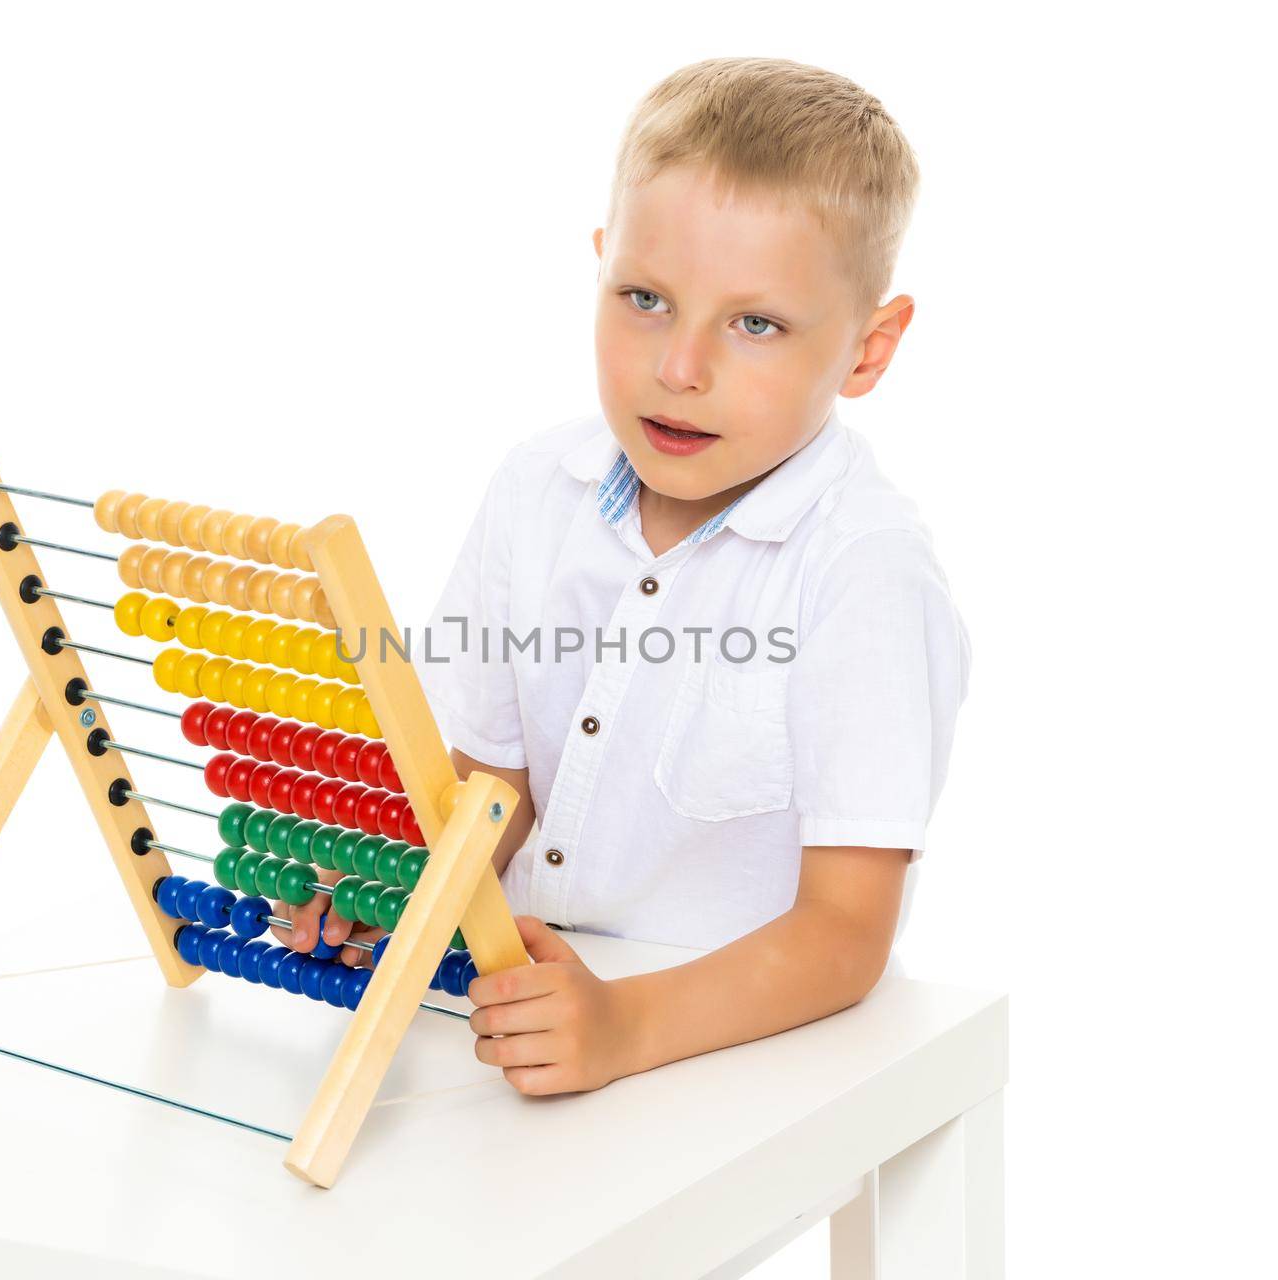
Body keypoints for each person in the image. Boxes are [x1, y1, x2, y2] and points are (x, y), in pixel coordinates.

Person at [278, 56, 969, 1097]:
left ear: (868, 350)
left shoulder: (863, 568)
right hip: (523, 1009)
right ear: (600, 264)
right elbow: (489, 785)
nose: (679, 367)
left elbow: (844, 931)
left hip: (731, 1045)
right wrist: (401, 886)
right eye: (645, 297)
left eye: (755, 324)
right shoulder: (534, 489)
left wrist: (626, 1025)